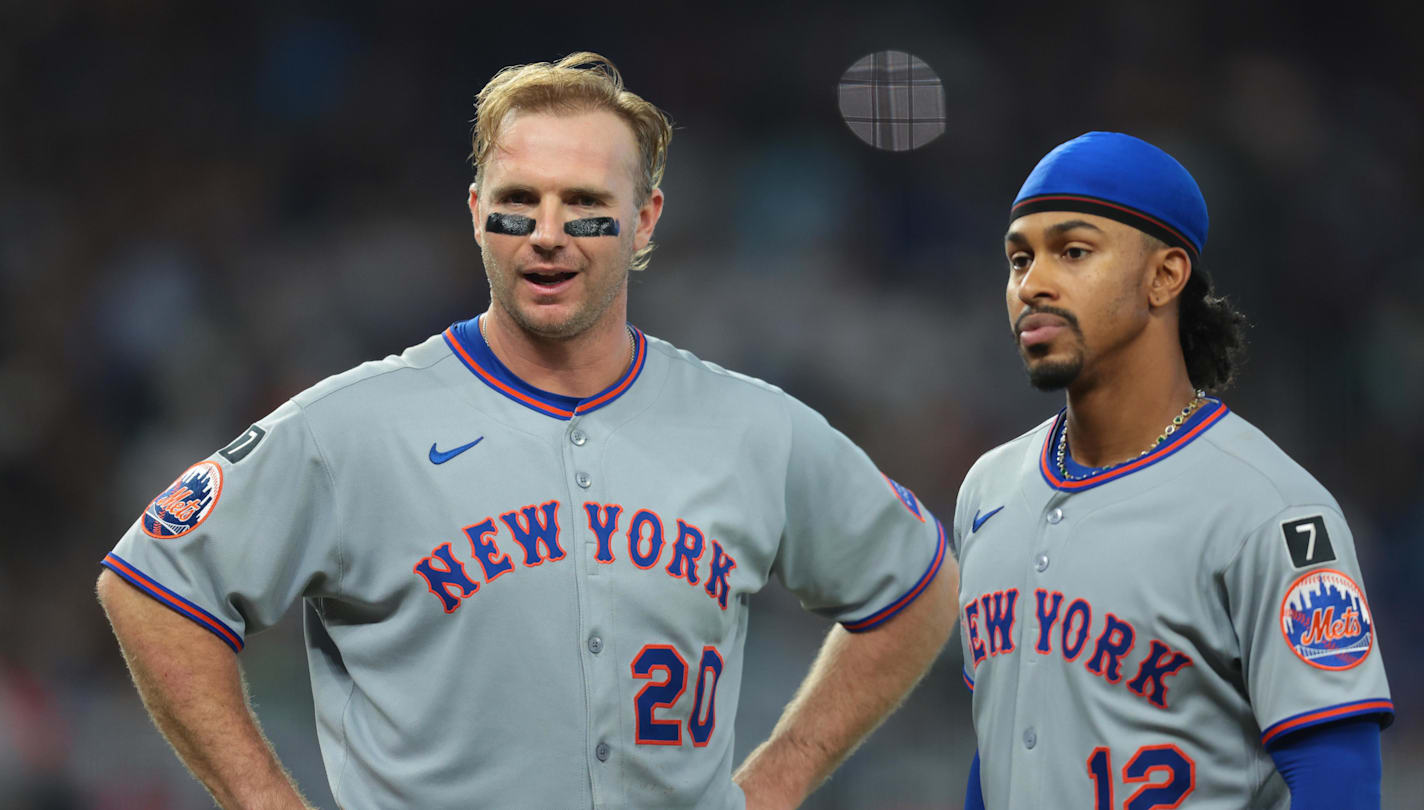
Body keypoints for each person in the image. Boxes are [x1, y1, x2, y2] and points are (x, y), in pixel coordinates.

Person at [95, 52, 957, 810]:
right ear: (475, 212)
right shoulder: (353, 427)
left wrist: (781, 777)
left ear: (646, 218)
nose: (547, 235)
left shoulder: (751, 427)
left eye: (585, 204)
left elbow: (918, 584)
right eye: (518, 203)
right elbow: (152, 587)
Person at [953, 131, 1393, 809]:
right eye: (1019, 259)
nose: (1031, 283)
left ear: (1165, 275)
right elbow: (1001, 745)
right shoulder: (988, 488)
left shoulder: (1270, 508)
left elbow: (1339, 776)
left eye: (1073, 251)